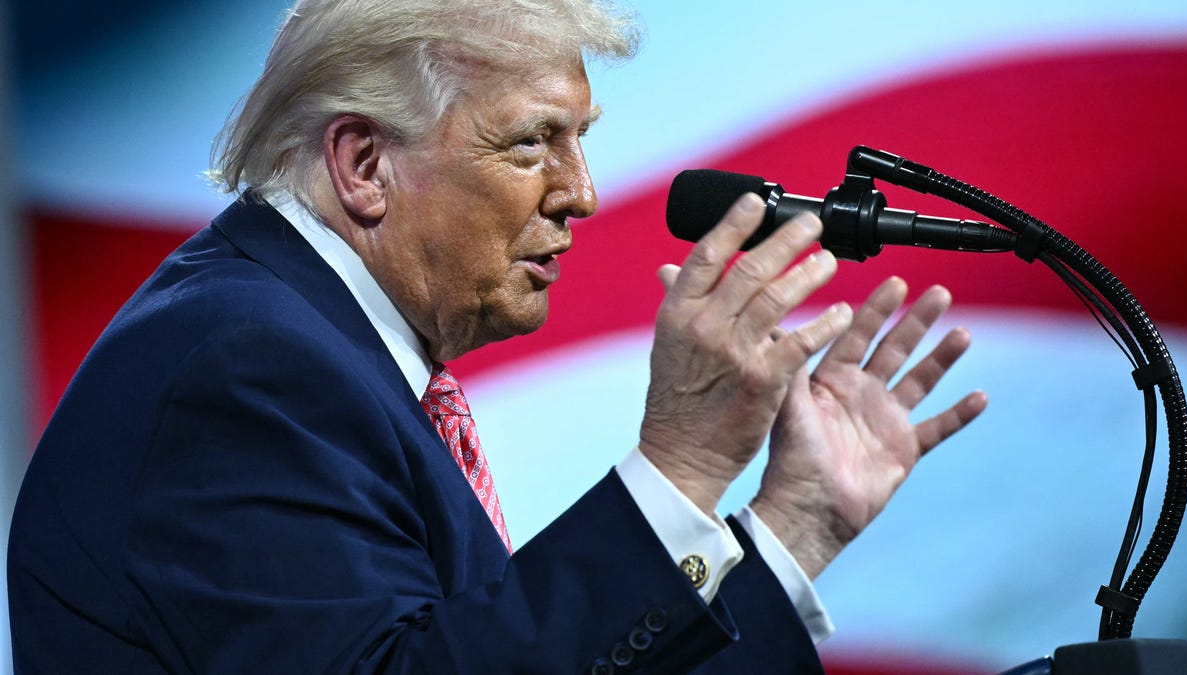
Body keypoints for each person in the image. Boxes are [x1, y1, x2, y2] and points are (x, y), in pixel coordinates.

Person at [7, 0, 987, 672]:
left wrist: (796, 524)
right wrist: (679, 466)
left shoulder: (314, 354)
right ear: (361, 163)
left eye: (582, 140)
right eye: (532, 142)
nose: (584, 194)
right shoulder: (247, 371)